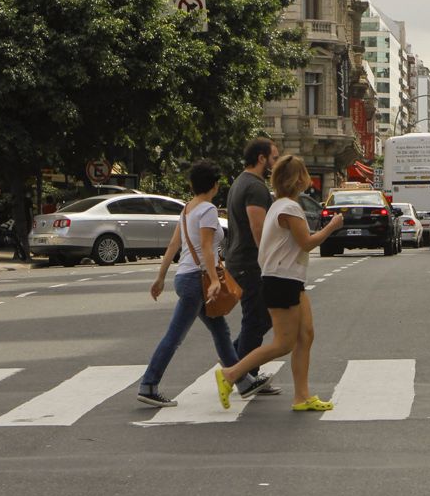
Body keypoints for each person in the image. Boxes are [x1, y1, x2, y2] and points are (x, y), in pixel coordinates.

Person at [216, 155, 345, 412]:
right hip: (281, 280)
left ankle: (302, 396)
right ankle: (231, 374)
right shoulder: (288, 208)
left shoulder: (280, 205)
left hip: (288, 279)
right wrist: (332, 226)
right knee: (283, 343)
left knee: (306, 335)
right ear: (299, 179)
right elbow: (307, 243)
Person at [137, 159, 257, 408]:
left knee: (220, 330)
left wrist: (160, 277)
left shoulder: (187, 209)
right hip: (197, 280)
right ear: (214, 185)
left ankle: (241, 381)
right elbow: (205, 248)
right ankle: (148, 384)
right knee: (175, 335)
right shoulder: (208, 210)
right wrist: (214, 280)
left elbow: (174, 245)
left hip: (185, 276)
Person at [224, 138, 283, 398]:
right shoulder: (256, 187)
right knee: (257, 319)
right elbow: (257, 228)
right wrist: (268, 261)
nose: (275, 163)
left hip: (240, 261)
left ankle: (237, 367)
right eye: (274, 158)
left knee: (260, 318)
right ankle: (241, 375)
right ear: (261, 158)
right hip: (251, 263)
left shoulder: (240, 182)